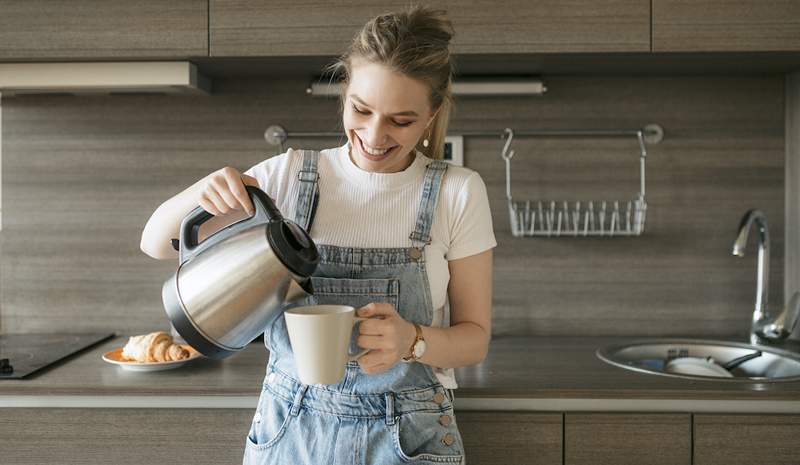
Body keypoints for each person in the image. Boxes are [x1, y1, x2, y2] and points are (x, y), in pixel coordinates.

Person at [140, 6, 495, 465]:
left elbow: (475, 339)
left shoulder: (457, 191)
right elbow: (154, 242)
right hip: (290, 429)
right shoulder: (287, 176)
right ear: (344, 93)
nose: (374, 135)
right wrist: (204, 190)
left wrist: (412, 340)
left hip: (408, 436)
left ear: (432, 116)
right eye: (361, 110)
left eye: (400, 121)